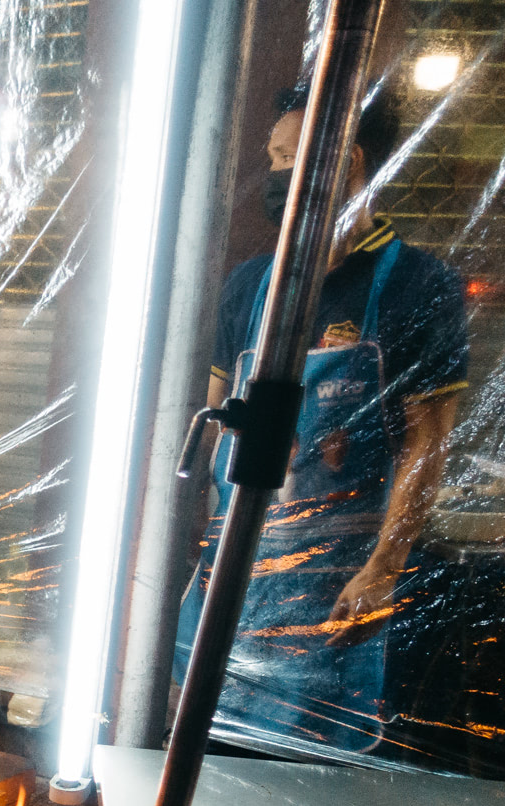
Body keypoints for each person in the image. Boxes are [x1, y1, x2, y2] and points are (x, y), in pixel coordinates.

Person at [176, 87, 469, 757]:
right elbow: (208, 422)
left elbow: (426, 442)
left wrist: (383, 570)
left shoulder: (416, 284)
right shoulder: (251, 284)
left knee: (309, 778)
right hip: (231, 582)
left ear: (348, 160)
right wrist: (177, 532)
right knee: (206, 764)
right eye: (273, 158)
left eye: (287, 157)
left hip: (336, 592)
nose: (273, 175)